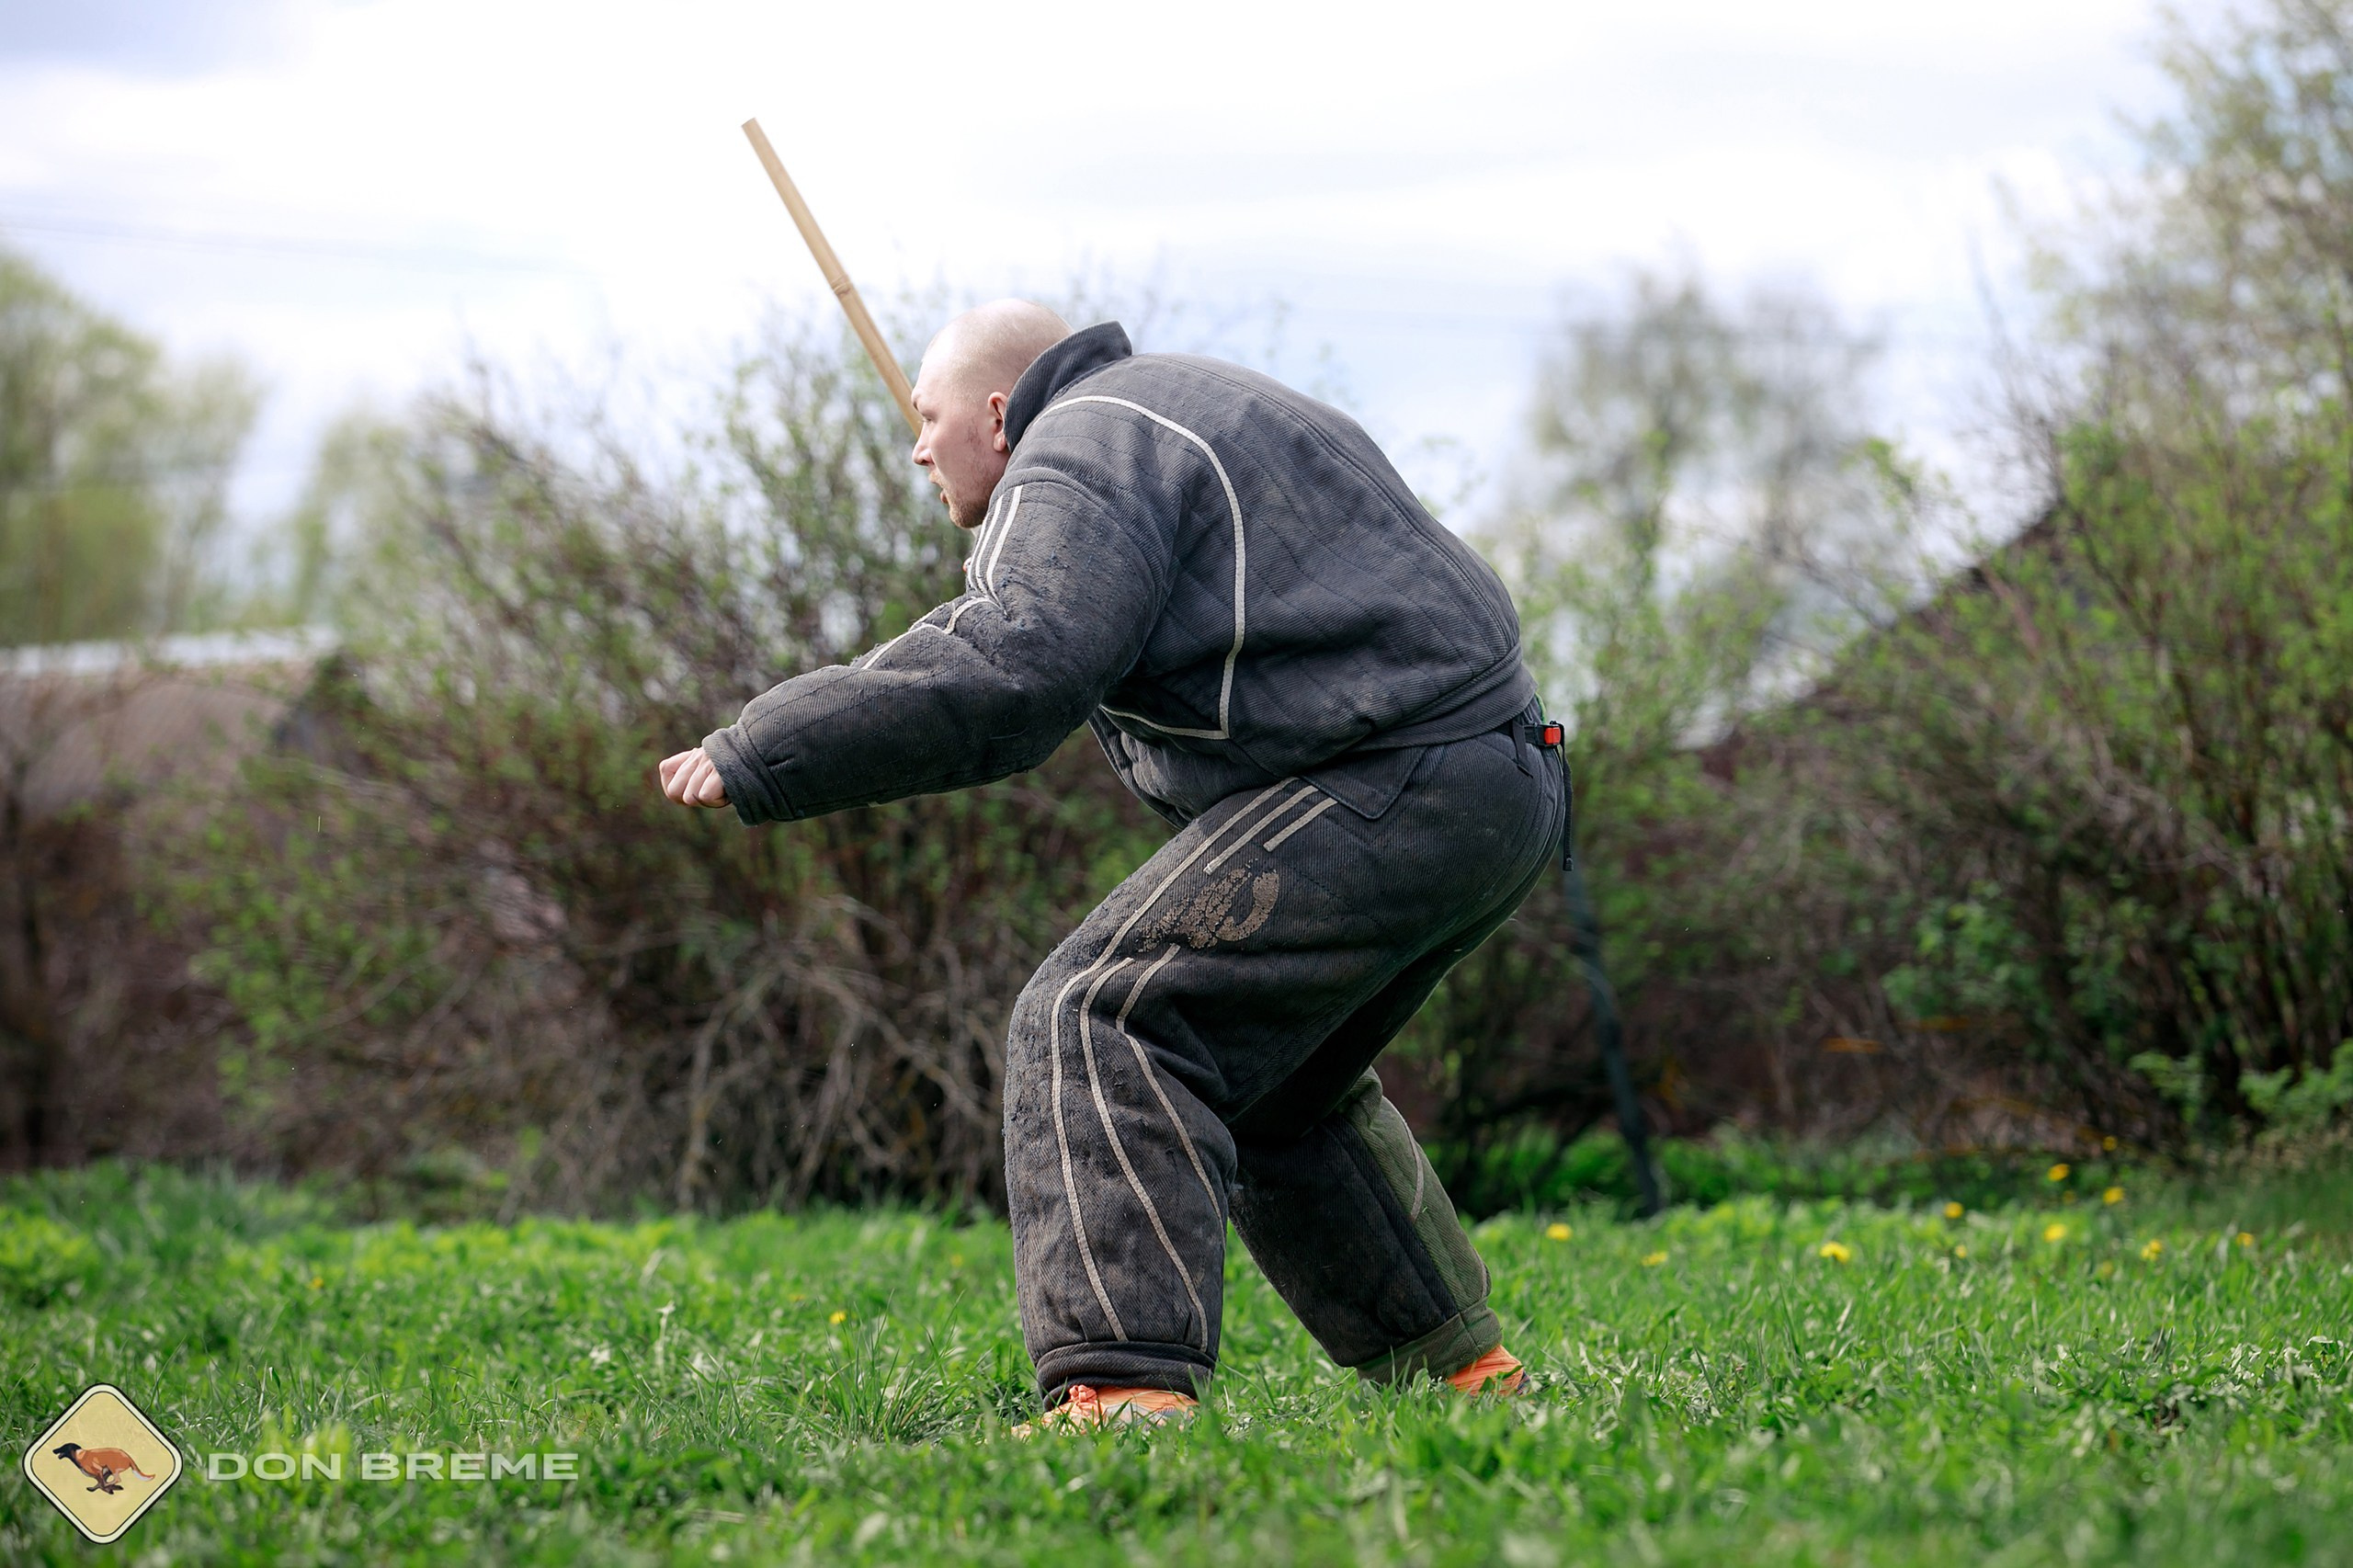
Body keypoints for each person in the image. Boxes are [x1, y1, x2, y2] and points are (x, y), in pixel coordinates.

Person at [658, 300, 1564, 1427]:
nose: (915, 448)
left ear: (999, 411)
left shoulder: (1080, 442)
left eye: (925, 417)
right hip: (1489, 775)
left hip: (1398, 772)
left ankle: (1125, 1391)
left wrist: (766, 746)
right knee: (1277, 1081)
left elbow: (1012, 666)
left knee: (1099, 1014)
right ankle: (1461, 1374)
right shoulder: (1161, 409)